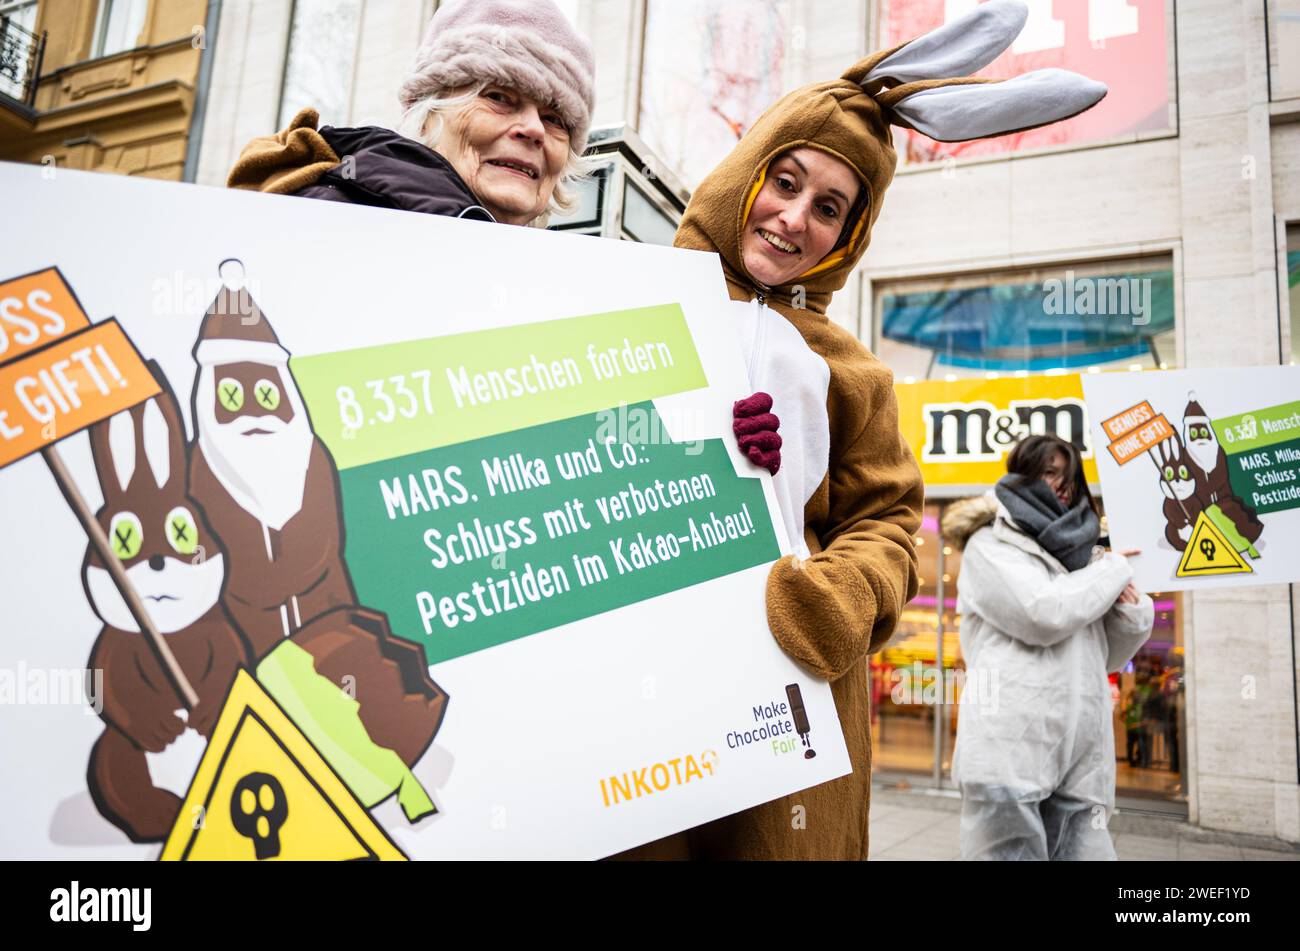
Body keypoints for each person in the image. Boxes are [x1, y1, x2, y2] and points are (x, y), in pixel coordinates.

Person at [615, 0, 1108, 860]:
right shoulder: (625, 302)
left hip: (783, 698)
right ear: (746, 170)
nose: (795, 218)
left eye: (832, 207)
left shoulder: (855, 370)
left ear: (850, 235)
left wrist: (835, 599)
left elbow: (889, 525)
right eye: (786, 180)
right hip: (631, 687)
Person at [941, 435, 1154, 860]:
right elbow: (1043, 613)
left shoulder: (1089, 559)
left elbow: (1103, 656)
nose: (1059, 484)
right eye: (1048, 471)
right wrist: (1109, 570)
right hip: (1009, 752)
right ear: (1023, 476)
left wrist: (1131, 611)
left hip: (1081, 751)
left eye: (1067, 475)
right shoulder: (989, 545)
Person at [226, 0, 596, 227]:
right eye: (499, 97)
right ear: (427, 116)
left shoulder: (549, 285)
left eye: (555, 119)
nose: (534, 130)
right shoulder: (336, 221)